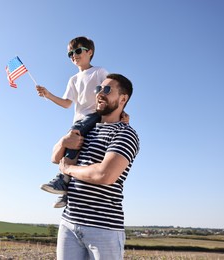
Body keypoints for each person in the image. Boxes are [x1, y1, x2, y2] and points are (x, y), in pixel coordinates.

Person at [52, 73, 139, 259]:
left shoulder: (125, 134)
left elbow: (105, 175)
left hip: (103, 228)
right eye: (98, 89)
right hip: (69, 223)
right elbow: (54, 158)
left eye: (107, 90)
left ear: (123, 99)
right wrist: (63, 141)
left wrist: (68, 170)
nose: (100, 93)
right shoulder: (85, 126)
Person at [36, 36, 129, 208]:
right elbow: (66, 103)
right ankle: (67, 192)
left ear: (90, 52)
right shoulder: (73, 80)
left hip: (94, 115)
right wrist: (48, 95)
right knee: (75, 150)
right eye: (70, 53)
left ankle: (61, 178)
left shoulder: (99, 72)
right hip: (79, 119)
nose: (74, 55)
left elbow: (109, 93)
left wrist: (122, 112)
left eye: (78, 51)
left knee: (74, 140)